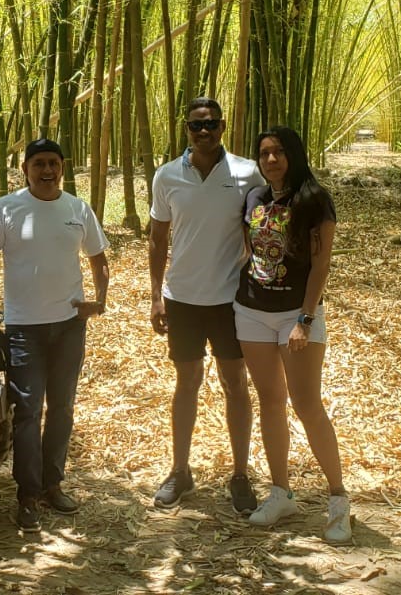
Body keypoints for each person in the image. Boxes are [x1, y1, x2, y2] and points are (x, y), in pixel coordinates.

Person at [0, 138, 110, 532]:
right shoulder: (7, 208)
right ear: (24, 168)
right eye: (39, 163)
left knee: (62, 408)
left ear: (63, 167)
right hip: (25, 326)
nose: (47, 171)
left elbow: (99, 259)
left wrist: (101, 300)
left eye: (53, 164)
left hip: (69, 325)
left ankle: (52, 484)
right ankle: (27, 494)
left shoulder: (77, 209)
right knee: (27, 412)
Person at [237, 126, 350, 542]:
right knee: (270, 401)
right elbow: (249, 250)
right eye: (264, 153)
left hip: (295, 316)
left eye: (279, 152)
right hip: (251, 311)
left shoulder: (314, 199)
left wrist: (305, 319)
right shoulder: (254, 198)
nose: (271, 160)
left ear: (294, 155)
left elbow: (321, 265)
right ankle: (280, 491)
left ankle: (338, 499)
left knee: (306, 403)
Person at [149, 97, 262, 514]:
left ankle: (240, 475)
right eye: (197, 125)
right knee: (187, 383)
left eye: (211, 124)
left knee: (236, 385)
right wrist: (156, 295)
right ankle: (180, 470)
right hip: (182, 299)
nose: (204, 131)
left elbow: (263, 231)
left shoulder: (248, 173)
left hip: (230, 299)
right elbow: (158, 239)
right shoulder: (167, 176)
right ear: (186, 129)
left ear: (223, 126)